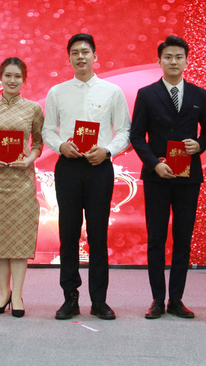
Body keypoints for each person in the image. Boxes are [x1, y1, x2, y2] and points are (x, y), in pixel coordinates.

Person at [42, 33, 131, 320]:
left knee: (98, 234)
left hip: (98, 168)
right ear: (69, 58)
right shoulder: (57, 92)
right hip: (68, 167)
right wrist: (60, 146)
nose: (80, 57)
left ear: (95, 56)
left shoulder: (112, 91)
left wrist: (107, 151)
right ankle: (70, 298)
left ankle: (99, 301)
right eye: (75, 53)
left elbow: (124, 131)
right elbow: (48, 130)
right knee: (68, 234)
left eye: (85, 52)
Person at [129, 36, 206, 319]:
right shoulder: (146, 94)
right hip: (158, 176)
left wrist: (198, 146)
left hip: (188, 177)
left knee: (182, 238)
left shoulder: (198, 94)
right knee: (156, 238)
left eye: (179, 57)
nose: (174, 61)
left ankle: (176, 299)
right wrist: (154, 164)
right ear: (159, 61)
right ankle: (157, 299)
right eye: (168, 57)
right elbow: (137, 136)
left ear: (187, 61)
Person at [0, 57, 44, 318]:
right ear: (0, 78)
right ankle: (3, 293)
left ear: (24, 80)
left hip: (22, 182)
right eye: (8, 76)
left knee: (19, 237)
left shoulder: (33, 109)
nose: (12, 80)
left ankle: (17, 295)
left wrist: (29, 159)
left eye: (17, 76)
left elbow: (37, 143)